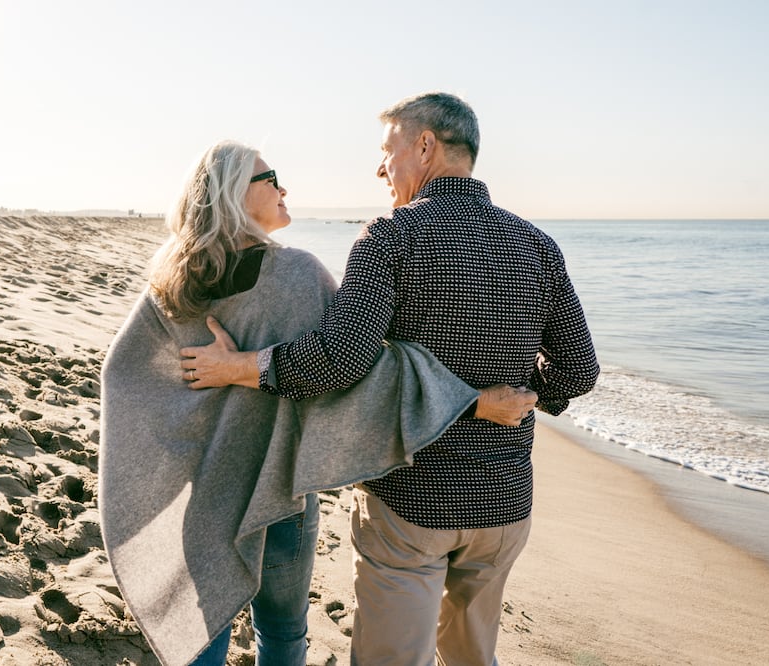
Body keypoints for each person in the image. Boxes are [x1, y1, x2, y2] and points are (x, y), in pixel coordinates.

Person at [181, 93, 600, 665]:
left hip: (412, 502)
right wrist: (526, 397)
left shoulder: (392, 237)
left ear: (425, 146)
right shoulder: (536, 245)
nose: (381, 167)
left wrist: (240, 367)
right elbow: (580, 370)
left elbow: (339, 360)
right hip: (505, 503)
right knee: (474, 658)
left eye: (388, 150)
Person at [99, 140, 535, 666]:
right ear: (234, 194)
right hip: (280, 487)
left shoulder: (171, 281)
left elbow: (124, 377)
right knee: (282, 634)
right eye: (270, 178)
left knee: (202, 630)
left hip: (204, 489)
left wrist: (192, 424)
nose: (283, 188)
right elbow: (362, 370)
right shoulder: (298, 275)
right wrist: (472, 402)